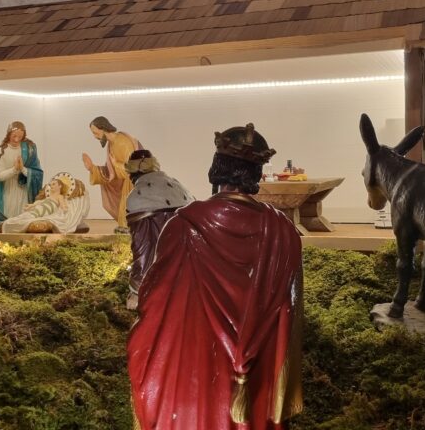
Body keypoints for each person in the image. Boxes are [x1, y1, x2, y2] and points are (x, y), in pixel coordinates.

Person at [128, 124, 304, 429]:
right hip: (258, 376)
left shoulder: (184, 225)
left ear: (216, 168)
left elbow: (155, 301)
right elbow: (291, 314)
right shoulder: (283, 231)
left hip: (197, 368)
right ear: (256, 174)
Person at [123, 149, 193, 310]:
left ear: (131, 174)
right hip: (187, 270)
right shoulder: (180, 188)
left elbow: (143, 248)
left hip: (161, 279)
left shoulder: (137, 198)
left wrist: (136, 289)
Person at [81, 116, 141, 232]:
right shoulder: (111, 144)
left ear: (103, 128)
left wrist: (116, 164)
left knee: (129, 207)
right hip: (127, 186)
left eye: (95, 133)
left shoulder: (123, 142)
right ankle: (126, 226)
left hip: (135, 185)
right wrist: (92, 168)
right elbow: (110, 172)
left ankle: (131, 226)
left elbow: (132, 169)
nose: (95, 136)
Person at [0, 121, 43, 232]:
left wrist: (22, 169)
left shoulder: (29, 149)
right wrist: (14, 170)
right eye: (14, 136)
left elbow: (37, 173)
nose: (17, 140)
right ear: (8, 134)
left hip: (24, 190)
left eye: (20, 137)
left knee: (23, 217)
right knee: (9, 219)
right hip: (8, 190)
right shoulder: (1, 151)